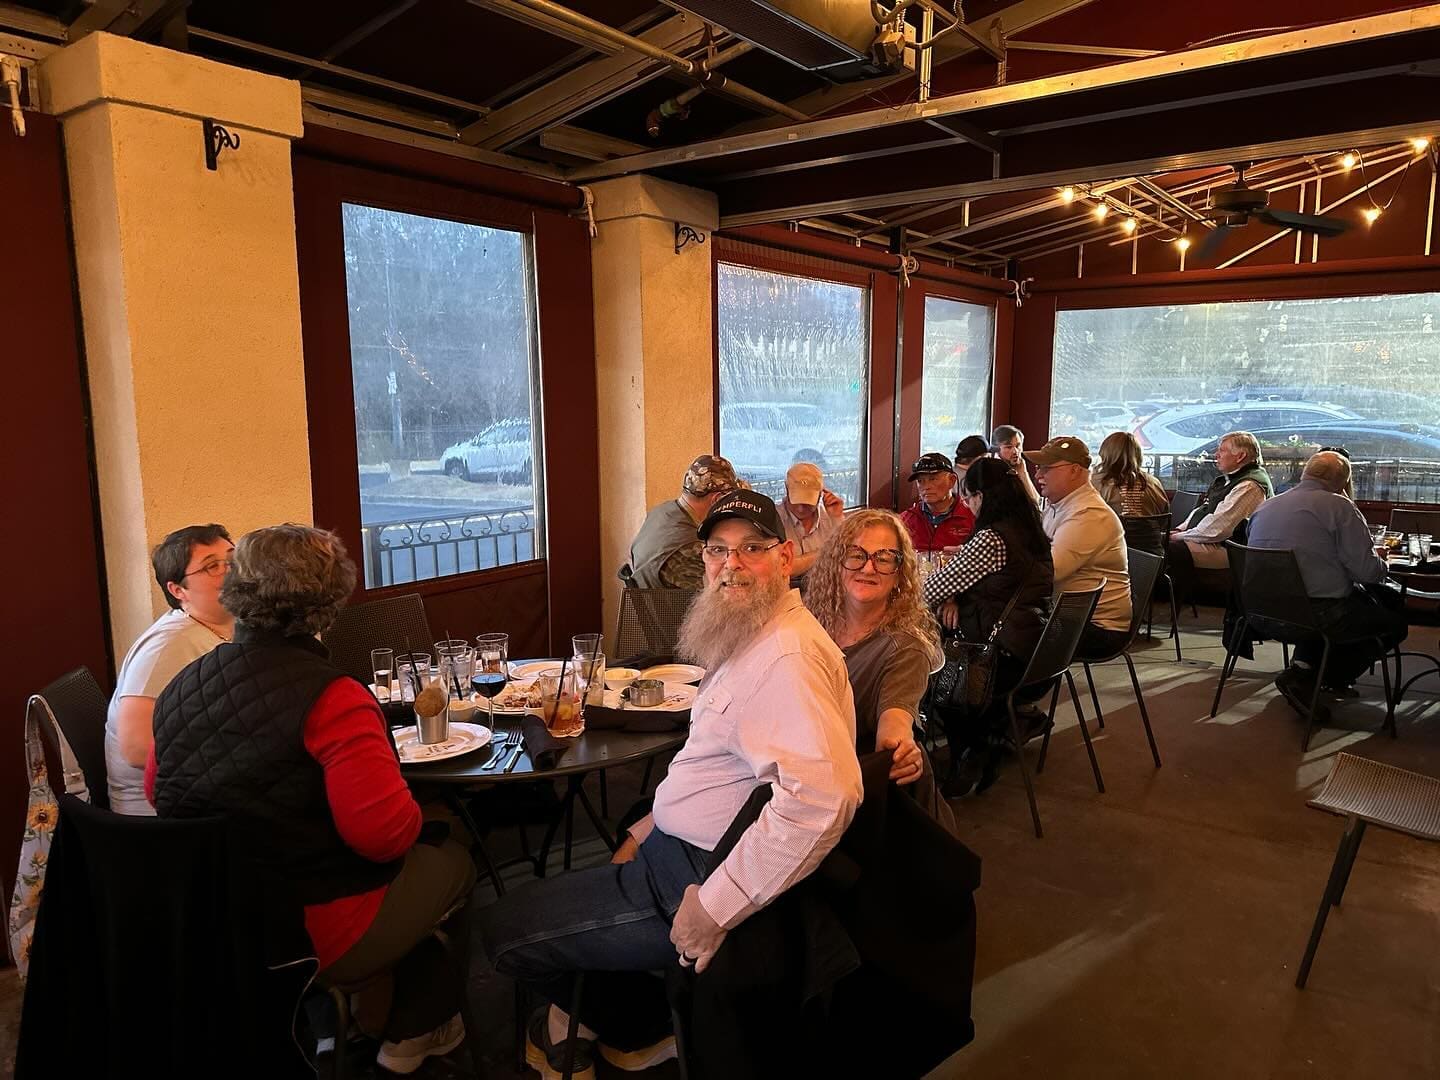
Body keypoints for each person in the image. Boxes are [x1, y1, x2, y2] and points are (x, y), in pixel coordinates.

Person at [482, 491, 862, 1080]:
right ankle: (637, 1023)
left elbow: (823, 797)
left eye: (753, 549)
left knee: (501, 931)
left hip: (694, 879)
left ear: (787, 557)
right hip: (674, 851)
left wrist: (713, 908)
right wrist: (650, 821)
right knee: (600, 852)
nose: (731, 565)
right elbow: (723, 767)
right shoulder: (759, 631)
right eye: (717, 550)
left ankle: (634, 1025)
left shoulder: (786, 657)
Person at [147, 525, 476, 1075]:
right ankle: (416, 1031)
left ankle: (350, 1017)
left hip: (210, 922)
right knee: (456, 858)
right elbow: (382, 837)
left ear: (237, 589)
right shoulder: (332, 697)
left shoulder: (185, 683)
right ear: (329, 600)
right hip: (311, 929)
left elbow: (162, 793)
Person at [803, 508, 955, 832]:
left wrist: (900, 746)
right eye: (856, 555)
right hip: (804, 774)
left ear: (900, 572)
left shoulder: (904, 647)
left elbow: (896, 719)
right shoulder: (811, 622)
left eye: (884, 558)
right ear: (837, 562)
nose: (869, 567)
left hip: (852, 801)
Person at [922, 459, 1055, 796]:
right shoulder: (1028, 527)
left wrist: (946, 594)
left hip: (998, 660)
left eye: (968, 498)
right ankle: (990, 736)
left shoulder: (992, 539)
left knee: (930, 678)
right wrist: (952, 597)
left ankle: (968, 757)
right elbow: (989, 584)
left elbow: (928, 590)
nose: (967, 505)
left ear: (983, 496)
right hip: (1035, 651)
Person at [1245, 451, 1407, 713]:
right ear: (1343, 483)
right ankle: (1323, 679)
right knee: (1394, 622)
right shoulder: (1340, 507)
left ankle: (1303, 672)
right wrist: (1382, 562)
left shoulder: (1267, 506)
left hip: (1261, 613)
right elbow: (1368, 574)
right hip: (1318, 616)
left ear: (1305, 473)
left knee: (1327, 598)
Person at [104, 524, 235, 815]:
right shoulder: (168, 645)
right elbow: (136, 748)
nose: (231, 571)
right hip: (159, 810)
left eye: (232, 558)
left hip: (203, 790)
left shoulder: (227, 627)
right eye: (212, 566)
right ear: (178, 590)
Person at [1026, 436, 1132, 657]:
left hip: (1098, 628)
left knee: (1006, 629)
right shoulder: (1062, 505)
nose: (1038, 475)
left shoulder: (1088, 515)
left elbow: (1048, 573)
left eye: (1047, 468)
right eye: (1038, 468)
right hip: (1068, 617)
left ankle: (1009, 690)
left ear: (1074, 470)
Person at [1167, 430, 1273, 602]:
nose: (1216, 455)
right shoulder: (1232, 479)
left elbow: (1216, 529)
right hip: (1213, 540)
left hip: (1231, 550)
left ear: (1240, 456)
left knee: (1163, 549)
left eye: (1222, 450)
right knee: (1156, 544)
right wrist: (1180, 529)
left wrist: (1178, 536)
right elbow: (1204, 509)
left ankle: (1164, 605)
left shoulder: (1249, 485)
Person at [624, 454, 739, 589]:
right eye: (729, 500)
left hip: (659, 602)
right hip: (675, 608)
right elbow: (721, 596)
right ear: (717, 499)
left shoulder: (661, 512)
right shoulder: (689, 550)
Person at [779, 461, 845, 578]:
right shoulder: (774, 519)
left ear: (821, 493)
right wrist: (826, 551)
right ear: (786, 488)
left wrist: (837, 518)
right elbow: (780, 567)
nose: (800, 508)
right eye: (796, 500)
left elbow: (846, 555)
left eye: (807, 502)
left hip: (824, 588)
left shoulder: (829, 517)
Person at [899, 452, 974, 555]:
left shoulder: (972, 517)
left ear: (952, 480)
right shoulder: (905, 519)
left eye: (933, 479)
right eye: (920, 481)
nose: (926, 486)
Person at [1093, 431, 1169, 518]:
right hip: (1149, 531)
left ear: (1104, 454)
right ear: (1138, 455)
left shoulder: (1095, 484)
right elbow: (1164, 518)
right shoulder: (1154, 483)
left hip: (1112, 531)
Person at [992, 424, 1042, 506]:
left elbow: (1036, 502)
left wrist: (1023, 473)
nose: (1015, 451)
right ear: (997, 450)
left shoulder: (1020, 466)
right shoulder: (991, 469)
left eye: (1018, 446)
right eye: (1008, 447)